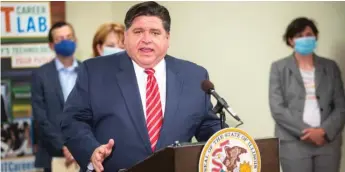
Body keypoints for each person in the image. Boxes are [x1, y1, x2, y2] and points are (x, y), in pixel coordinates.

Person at [60, 1, 225, 172]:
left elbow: (207, 126)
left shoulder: (194, 76)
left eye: (155, 32)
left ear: (167, 38)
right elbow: (73, 120)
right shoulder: (94, 71)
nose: (146, 40)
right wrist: (91, 150)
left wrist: (232, 144)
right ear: (125, 36)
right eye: (138, 32)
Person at [269, 17, 345, 172]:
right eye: (299, 36)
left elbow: (341, 106)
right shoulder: (279, 68)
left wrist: (323, 131)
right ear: (291, 41)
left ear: (315, 37)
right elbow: (277, 108)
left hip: (327, 143)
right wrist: (308, 133)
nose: (305, 39)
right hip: (293, 144)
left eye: (309, 34)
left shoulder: (331, 67)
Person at [31, 21, 80, 172]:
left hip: (86, 152)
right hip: (53, 155)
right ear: (51, 45)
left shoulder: (88, 71)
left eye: (69, 37)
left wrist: (81, 144)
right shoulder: (40, 75)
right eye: (59, 39)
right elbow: (41, 117)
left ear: (75, 40)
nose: (65, 41)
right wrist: (63, 146)